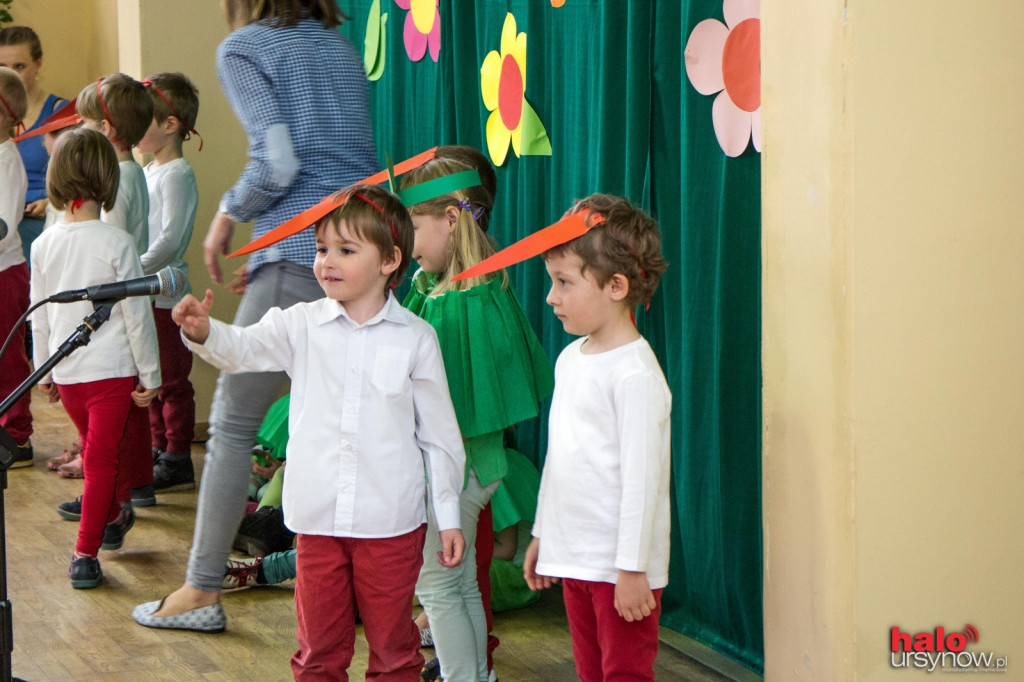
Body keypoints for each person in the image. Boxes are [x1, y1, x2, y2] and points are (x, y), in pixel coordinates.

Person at [135, 184, 466, 681]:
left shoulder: (417, 339)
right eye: (321, 249)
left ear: (390, 261)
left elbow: (439, 439)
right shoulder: (301, 323)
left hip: (391, 526)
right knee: (317, 653)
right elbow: (244, 348)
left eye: (346, 250)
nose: (326, 261)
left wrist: (449, 515)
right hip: (318, 525)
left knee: (395, 653)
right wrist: (204, 332)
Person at [134, 0, 377, 631]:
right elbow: (340, 163)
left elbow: (279, 164)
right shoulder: (336, 45)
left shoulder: (246, 48)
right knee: (344, 425)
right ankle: (364, 590)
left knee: (235, 424)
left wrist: (227, 215)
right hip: (362, 254)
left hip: (304, 254)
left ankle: (201, 589)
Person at [399, 151, 554, 682]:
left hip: (457, 468)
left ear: (450, 220)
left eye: (413, 228)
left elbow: (457, 409)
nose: (405, 244)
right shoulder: (464, 293)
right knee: (460, 581)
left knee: (439, 585)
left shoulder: (461, 305)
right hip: (473, 467)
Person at [523, 194, 672, 682]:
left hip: (619, 573)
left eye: (564, 283)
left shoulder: (635, 375)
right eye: (552, 282)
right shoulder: (570, 359)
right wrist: (545, 533)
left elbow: (643, 482)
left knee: (624, 674)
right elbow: (561, 460)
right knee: (590, 673)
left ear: (615, 285)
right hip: (576, 559)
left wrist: (633, 570)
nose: (551, 297)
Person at [29, 127, 161, 588]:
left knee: (98, 457)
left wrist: (42, 367)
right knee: (102, 459)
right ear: (108, 181)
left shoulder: (42, 244)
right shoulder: (117, 242)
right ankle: (90, 548)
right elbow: (137, 317)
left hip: (68, 375)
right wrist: (151, 375)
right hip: (111, 373)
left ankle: (104, 526)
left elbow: (38, 316)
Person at [55, 73, 155, 507]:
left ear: (108, 130)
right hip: (112, 323)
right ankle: (125, 488)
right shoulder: (129, 172)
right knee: (123, 420)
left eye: (87, 121)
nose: (79, 127)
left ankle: (117, 495)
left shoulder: (123, 179)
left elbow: (109, 261)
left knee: (120, 422)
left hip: (113, 327)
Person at [136, 72, 201, 497]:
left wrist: (133, 266)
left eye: (142, 121)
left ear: (170, 125)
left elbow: (171, 238)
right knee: (149, 377)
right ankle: (158, 448)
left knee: (171, 379)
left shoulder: (177, 173)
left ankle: (177, 455)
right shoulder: (146, 170)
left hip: (163, 291)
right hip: (142, 288)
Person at [0, 25, 68, 261]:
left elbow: (84, 177)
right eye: (3, 67)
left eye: (19, 66)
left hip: (41, 225)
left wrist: (51, 203)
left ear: (38, 63)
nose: (11, 74)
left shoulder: (60, 112)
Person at [0, 66, 33, 467]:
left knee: (8, 355)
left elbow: (5, 225)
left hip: (5, 274)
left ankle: (17, 435)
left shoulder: (7, 161)